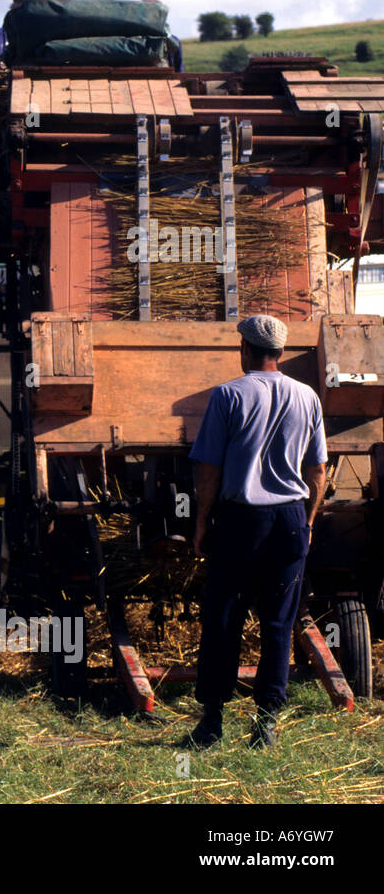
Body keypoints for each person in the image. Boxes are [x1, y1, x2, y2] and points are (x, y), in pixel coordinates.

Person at [187, 316, 327, 750]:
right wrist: (307, 522)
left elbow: (208, 469)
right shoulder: (308, 397)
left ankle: (211, 722)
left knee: (224, 619)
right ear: (280, 353)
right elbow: (318, 471)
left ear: (243, 349)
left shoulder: (228, 395)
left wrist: (201, 522)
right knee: (279, 624)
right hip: (288, 521)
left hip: (240, 523)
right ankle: (265, 724)